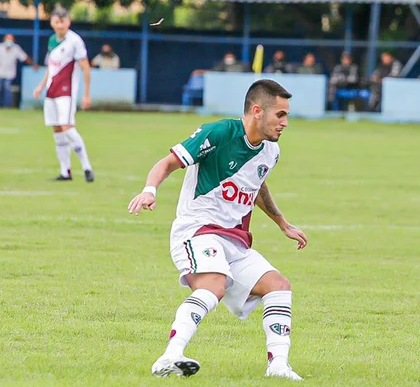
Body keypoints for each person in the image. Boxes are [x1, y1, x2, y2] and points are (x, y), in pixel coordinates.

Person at [127, 79, 308, 381]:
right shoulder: (219, 133)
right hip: (197, 230)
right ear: (257, 110)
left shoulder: (270, 152)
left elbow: (256, 184)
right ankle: (170, 356)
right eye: (280, 115)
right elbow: (169, 162)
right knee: (214, 284)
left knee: (278, 286)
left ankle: (278, 366)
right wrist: (149, 190)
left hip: (235, 241)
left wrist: (282, 223)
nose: (285, 123)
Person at [32, 7, 95, 182]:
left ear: (68, 22)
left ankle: (87, 167)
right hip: (51, 91)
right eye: (56, 21)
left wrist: (86, 94)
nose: (59, 25)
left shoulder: (74, 41)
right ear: (52, 22)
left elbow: (85, 67)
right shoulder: (52, 40)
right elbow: (51, 68)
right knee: (57, 129)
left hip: (66, 92)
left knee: (67, 127)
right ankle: (65, 171)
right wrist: (41, 86)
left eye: (63, 21)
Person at [0, 34, 38, 108]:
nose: (9, 41)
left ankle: (7, 107)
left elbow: (24, 57)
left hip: (10, 73)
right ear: (4, 39)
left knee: (7, 89)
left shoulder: (16, 48)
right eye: (8, 39)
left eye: (11, 39)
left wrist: (33, 65)